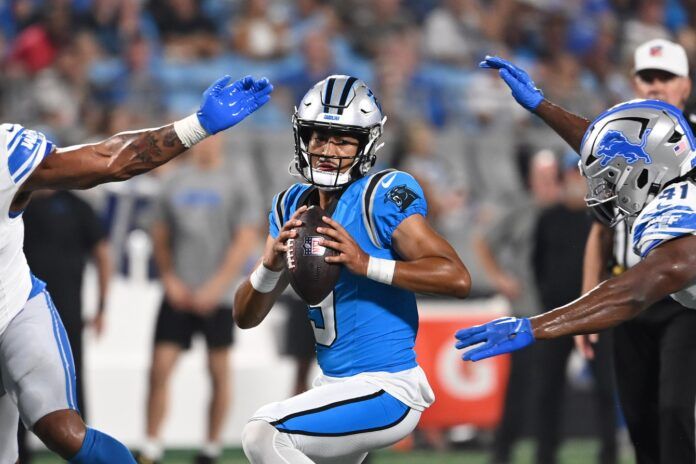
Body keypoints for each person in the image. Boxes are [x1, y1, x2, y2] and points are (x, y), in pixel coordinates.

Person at [0, 74, 273, 463]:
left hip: (13, 309)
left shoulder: (4, 157)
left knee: (62, 431)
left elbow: (106, 159)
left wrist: (197, 126)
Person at [478, 38, 696, 463]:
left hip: (671, 304)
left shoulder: (678, 224)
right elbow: (610, 146)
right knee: (646, 423)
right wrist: (541, 106)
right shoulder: (667, 169)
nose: (605, 176)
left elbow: (635, 289)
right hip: (648, 295)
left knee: (676, 419)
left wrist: (535, 327)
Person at [234, 75, 471, 463]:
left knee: (263, 433)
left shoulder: (379, 195)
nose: (327, 149)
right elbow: (245, 317)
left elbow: (456, 277)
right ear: (303, 138)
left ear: (366, 144)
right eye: (319, 136)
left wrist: (366, 264)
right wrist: (269, 265)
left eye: (343, 139)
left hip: (386, 387)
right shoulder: (288, 206)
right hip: (332, 386)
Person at [137, 135, 262, 464]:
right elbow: (160, 233)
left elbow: (245, 238)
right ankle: (150, 445)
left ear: (222, 142)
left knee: (218, 370)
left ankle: (210, 447)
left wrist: (218, 286)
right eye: (203, 138)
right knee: (159, 369)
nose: (208, 144)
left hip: (218, 297)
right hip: (178, 291)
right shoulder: (174, 179)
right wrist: (170, 280)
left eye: (214, 139)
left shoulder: (237, 179)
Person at [530, 154, 616, 464]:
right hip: (557, 316)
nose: (576, 180)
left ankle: (610, 454)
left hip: (597, 317)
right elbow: (537, 264)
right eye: (573, 173)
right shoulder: (549, 217)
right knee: (548, 390)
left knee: (607, 388)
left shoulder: (602, 218)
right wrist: (549, 302)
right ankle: (545, 456)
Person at [18, 190, 112, 463]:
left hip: (66, 316)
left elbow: (102, 253)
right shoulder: (18, 203)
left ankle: (85, 456)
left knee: (73, 389)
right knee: (12, 391)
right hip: (18, 316)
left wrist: (102, 307)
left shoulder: (78, 207)